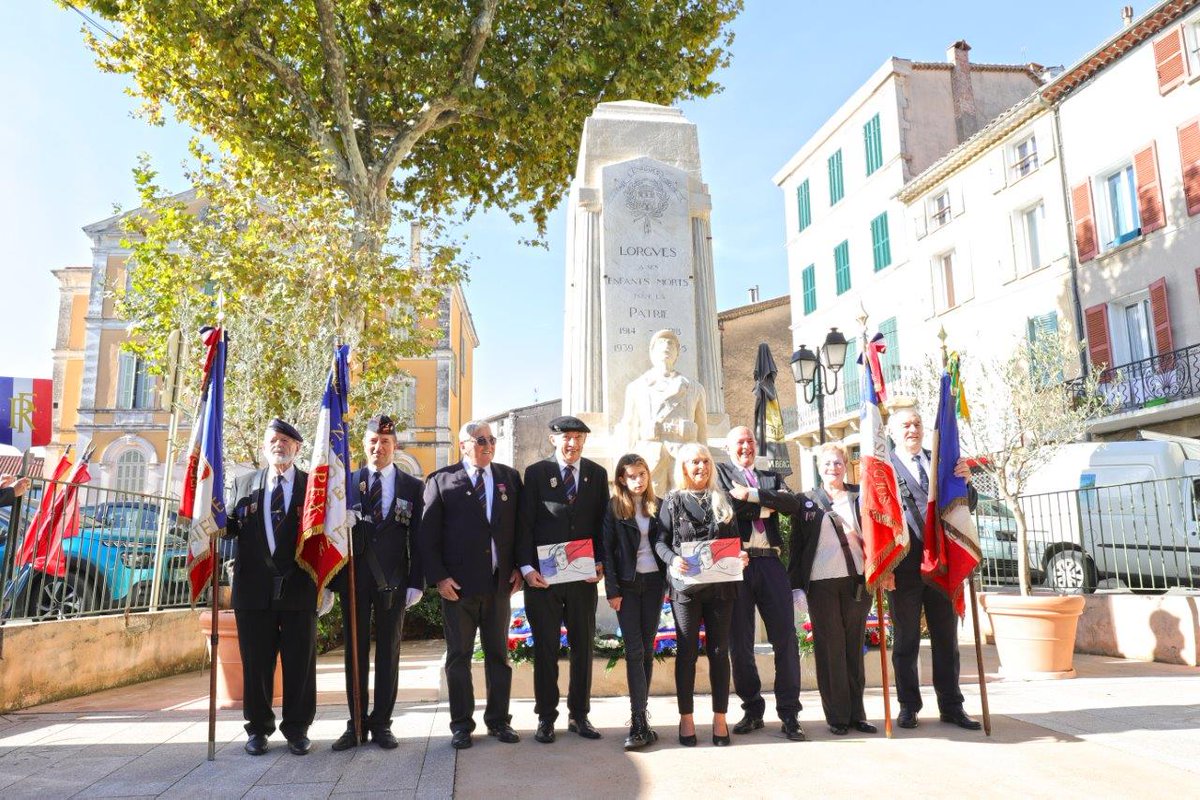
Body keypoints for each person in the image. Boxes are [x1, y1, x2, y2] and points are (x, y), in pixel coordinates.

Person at [419, 420, 523, 750]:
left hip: (498, 585)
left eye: (491, 439)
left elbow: (519, 529)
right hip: (458, 588)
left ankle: (498, 721)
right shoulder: (441, 480)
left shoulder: (509, 478)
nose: (488, 445)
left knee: (498, 657)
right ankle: (462, 724)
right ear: (464, 444)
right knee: (458, 658)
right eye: (481, 440)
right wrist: (439, 577)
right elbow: (426, 537)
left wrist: (519, 567)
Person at [884, 403, 982, 731]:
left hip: (942, 564)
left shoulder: (941, 460)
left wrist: (965, 483)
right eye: (905, 426)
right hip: (904, 568)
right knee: (906, 640)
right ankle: (908, 705)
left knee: (946, 639)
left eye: (916, 424)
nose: (912, 430)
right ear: (892, 432)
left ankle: (951, 705)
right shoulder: (884, 467)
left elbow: (967, 503)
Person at [331, 415, 425, 752]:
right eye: (372, 441)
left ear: (394, 446)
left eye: (385, 442)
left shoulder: (413, 487)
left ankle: (382, 723)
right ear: (363, 444)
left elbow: (418, 538)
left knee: (389, 652)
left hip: (394, 582)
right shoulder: (345, 484)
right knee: (354, 654)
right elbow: (332, 537)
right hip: (354, 580)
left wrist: (417, 581)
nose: (378, 447)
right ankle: (355, 723)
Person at [224, 418, 316, 756]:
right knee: (256, 664)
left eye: (286, 441)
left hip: (298, 586)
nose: (279, 445)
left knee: (299, 664)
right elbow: (231, 527)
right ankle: (258, 729)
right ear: (265, 444)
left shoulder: (312, 486)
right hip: (253, 589)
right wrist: (209, 511)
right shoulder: (244, 482)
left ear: (297, 448)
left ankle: (297, 729)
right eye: (273, 439)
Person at [518, 415, 609, 743]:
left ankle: (580, 715)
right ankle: (545, 717)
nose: (572, 444)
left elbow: (603, 523)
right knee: (545, 648)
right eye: (566, 438)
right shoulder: (537, 473)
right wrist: (527, 569)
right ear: (553, 439)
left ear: (584, 440)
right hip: (544, 580)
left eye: (577, 438)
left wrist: (601, 562)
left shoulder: (597, 475)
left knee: (583, 647)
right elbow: (525, 525)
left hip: (582, 579)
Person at [714, 426, 806, 742]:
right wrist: (769, 505)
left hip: (770, 562)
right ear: (728, 447)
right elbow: (726, 509)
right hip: (737, 564)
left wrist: (753, 495)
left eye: (750, 441)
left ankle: (790, 713)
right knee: (739, 643)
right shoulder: (720, 474)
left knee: (785, 638)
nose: (746, 447)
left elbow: (792, 504)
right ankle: (752, 709)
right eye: (739, 442)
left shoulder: (768, 475)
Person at [655, 442, 748, 747]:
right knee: (687, 653)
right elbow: (661, 541)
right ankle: (686, 718)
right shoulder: (672, 501)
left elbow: (734, 541)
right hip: (686, 589)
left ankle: (720, 718)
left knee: (720, 653)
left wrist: (741, 556)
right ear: (683, 467)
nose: (701, 467)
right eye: (694, 462)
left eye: (705, 462)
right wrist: (672, 559)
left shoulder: (722, 500)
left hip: (721, 589)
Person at [800, 443, 876, 736]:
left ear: (846, 465)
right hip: (821, 581)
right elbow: (798, 546)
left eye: (838, 463)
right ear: (819, 468)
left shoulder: (860, 496)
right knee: (830, 648)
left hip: (857, 579)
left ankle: (857, 714)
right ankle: (837, 716)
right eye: (827, 464)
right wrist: (797, 586)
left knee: (854, 648)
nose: (833, 468)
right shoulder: (808, 500)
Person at [601, 453, 665, 750]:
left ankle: (643, 718)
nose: (638, 480)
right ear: (621, 480)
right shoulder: (614, 509)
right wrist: (612, 590)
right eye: (631, 476)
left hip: (653, 584)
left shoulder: (660, 506)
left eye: (642, 474)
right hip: (627, 587)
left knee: (647, 650)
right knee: (634, 650)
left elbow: (667, 545)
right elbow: (608, 552)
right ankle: (637, 720)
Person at [620, 330, 708, 494]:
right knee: (650, 511)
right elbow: (629, 425)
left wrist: (705, 462)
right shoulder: (636, 387)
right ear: (652, 351)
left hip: (684, 457)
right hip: (650, 458)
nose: (667, 346)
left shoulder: (695, 388)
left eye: (671, 343)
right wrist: (626, 466)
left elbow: (702, 429)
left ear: (677, 353)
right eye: (661, 343)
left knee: (685, 508)